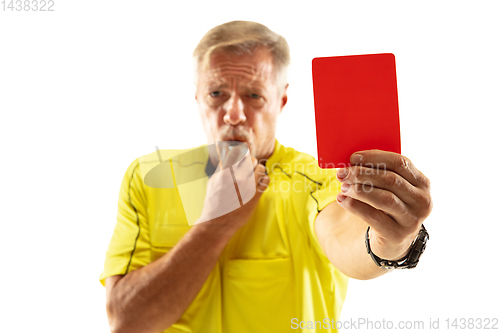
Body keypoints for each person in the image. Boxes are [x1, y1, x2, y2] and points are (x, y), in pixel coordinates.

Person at [99, 21, 433, 333]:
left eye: (254, 95)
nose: (233, 113)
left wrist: (394, 242)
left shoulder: (317, 178)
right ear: (198, 97)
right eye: (217, 93)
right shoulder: (145, 176)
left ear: (281, 100)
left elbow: (347, 241)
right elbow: (127, 320)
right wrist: (215, 225)